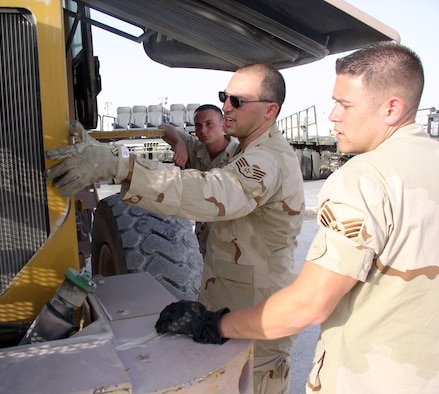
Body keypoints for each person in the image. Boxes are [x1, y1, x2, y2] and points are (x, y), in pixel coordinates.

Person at [155, 42, 439, 393]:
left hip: (374, 377)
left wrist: (214, 323)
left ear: (391, 108)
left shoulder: (366, 179)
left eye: (344, 104)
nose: (333, 115)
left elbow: (309, 303)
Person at [45, 63, 305, 393]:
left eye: (237, 101)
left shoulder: (267, 159)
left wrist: (122, 166)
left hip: (257, 318)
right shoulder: (245, 150)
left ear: (270, 110)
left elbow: (213, 192)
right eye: (225, 97)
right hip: (231, 309)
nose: (226, 107)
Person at [161, 104, 238, 255]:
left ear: (223, 125)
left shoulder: (240, 154)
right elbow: (164, 128)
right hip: (203, 237)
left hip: (231, 240)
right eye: (198, 125)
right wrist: (179, 143)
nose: (203, 130)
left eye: (209, 124)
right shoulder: (196, 148)